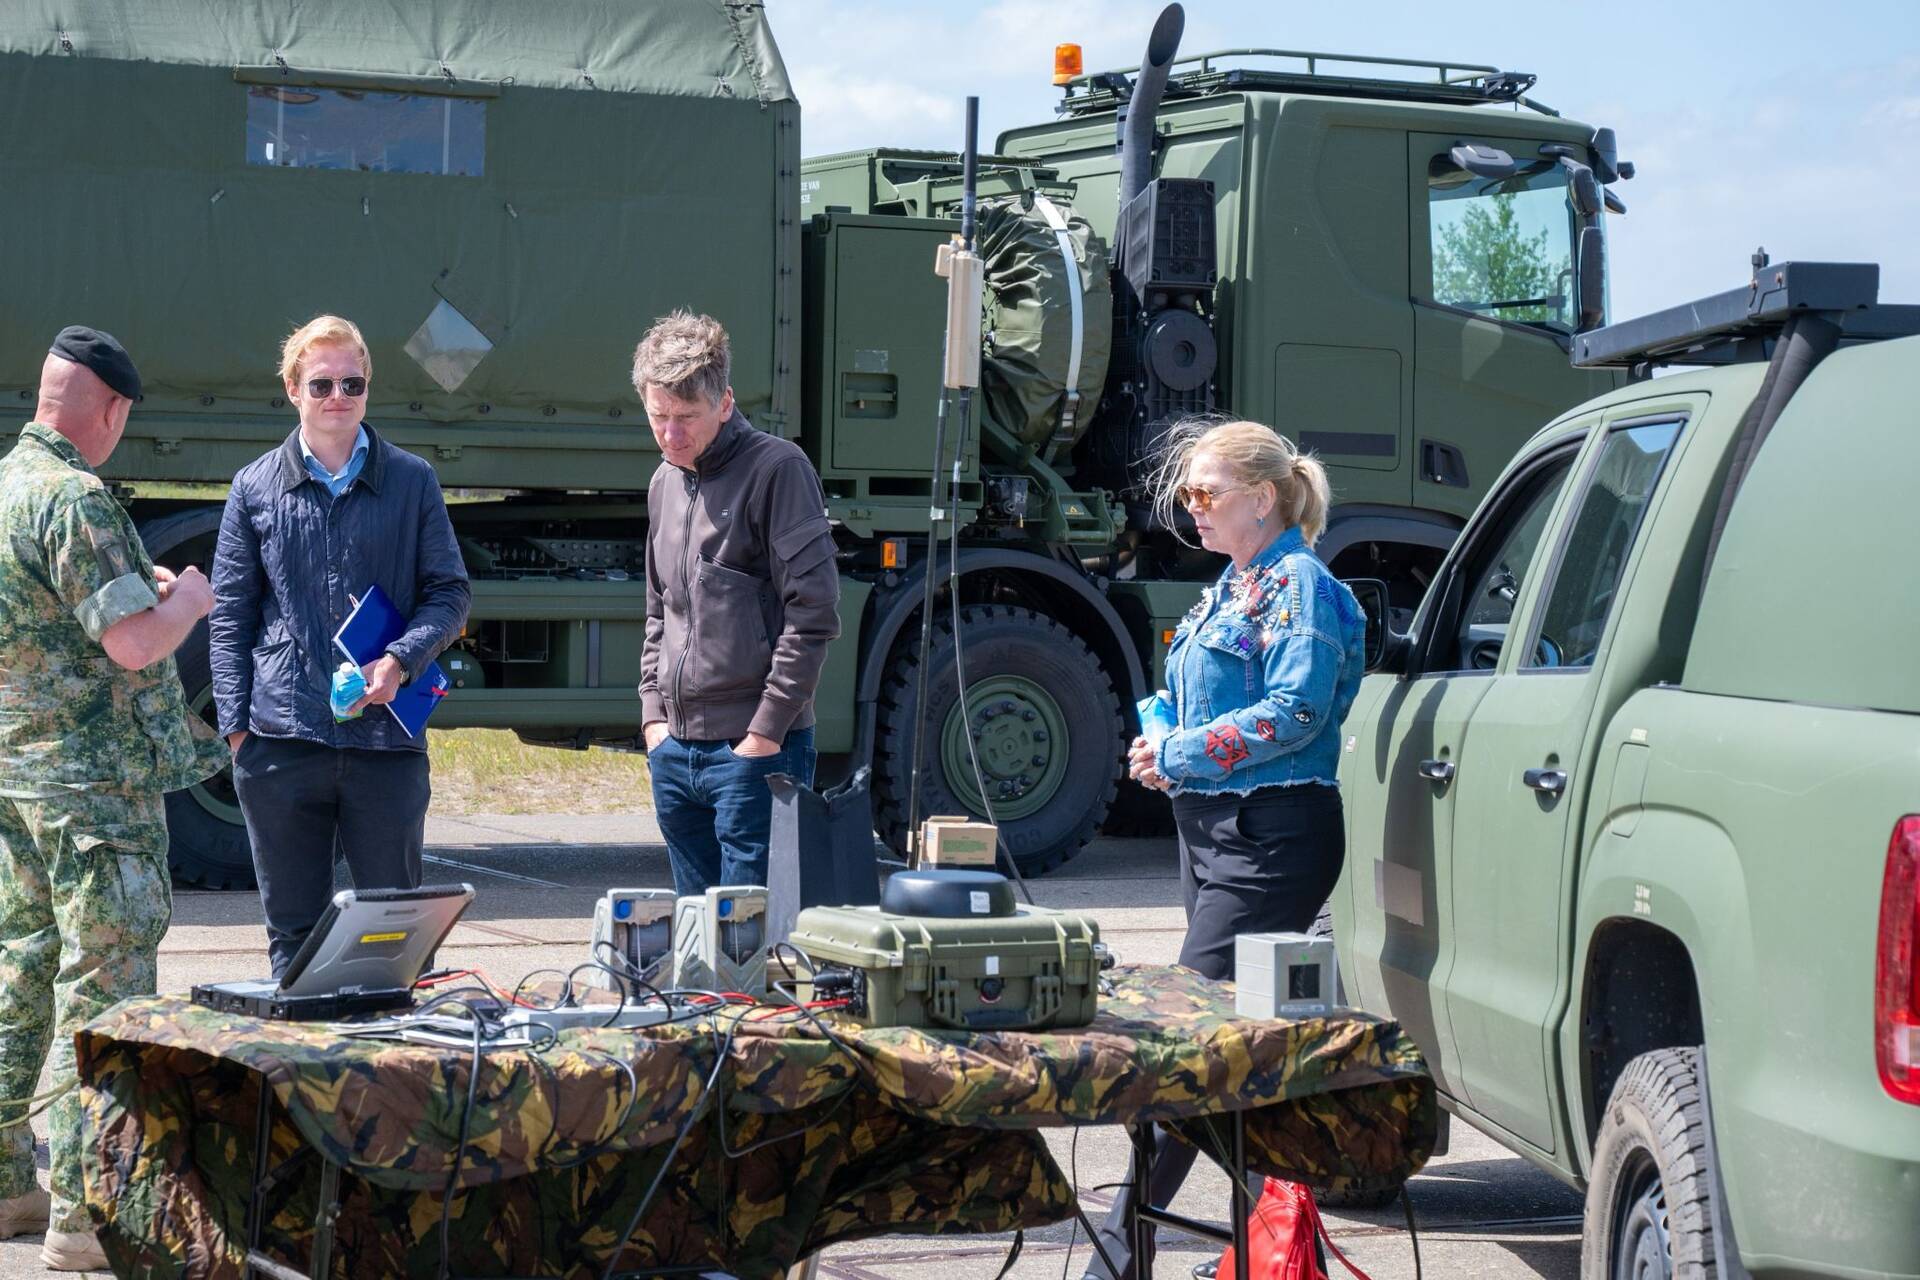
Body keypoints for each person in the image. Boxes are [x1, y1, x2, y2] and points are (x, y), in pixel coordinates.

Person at [1087, 418, 1367, 1280]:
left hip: (1271, 838)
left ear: (1266, 498)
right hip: (1212, 834)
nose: (1191, 509)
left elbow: (1299, 712)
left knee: (1183, 1054)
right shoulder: (1234, 583)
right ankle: (1281, 1246)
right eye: (1186, 494)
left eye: (1206, 493)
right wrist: (1159, 738)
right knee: (1222, 1058)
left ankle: (1117, 1261)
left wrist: (1179, 753)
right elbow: (1175, 692)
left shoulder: (1300, 587)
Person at [0, 328, 229, 1270]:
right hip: (95, 793)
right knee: (104, 997)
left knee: (22, 975)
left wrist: (148, 592)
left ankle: (10, 1183)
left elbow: (65, 617)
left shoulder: (12, 484)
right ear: (111, 409)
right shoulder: (76, 497)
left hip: (20, 779)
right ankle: (81, 1217)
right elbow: (134, 645)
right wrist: (192, 602)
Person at [210, 315, 469, 978]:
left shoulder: (412, 481)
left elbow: (449, 594)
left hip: (386, 742)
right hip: (282, 743)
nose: (337, 396)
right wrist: (239, 732)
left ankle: (390, 1081)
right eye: (321, 383)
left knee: (396, 938)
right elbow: (229, 616)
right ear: (293, 389)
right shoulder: (255, 487)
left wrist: (401, 658)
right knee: (293, 939)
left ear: (367, 387)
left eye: (351, 382)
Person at [635, 311, 839, 895]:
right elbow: (659, 608)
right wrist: (653, 720)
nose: (671, 435)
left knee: (757, 957)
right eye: (658, 418)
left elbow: (815, 613)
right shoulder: (663, 482)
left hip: (752, 754)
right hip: (675, 752)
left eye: (686, 418)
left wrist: (766, 734)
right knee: (698, 959)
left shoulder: (778, 470)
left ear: (725, 403)